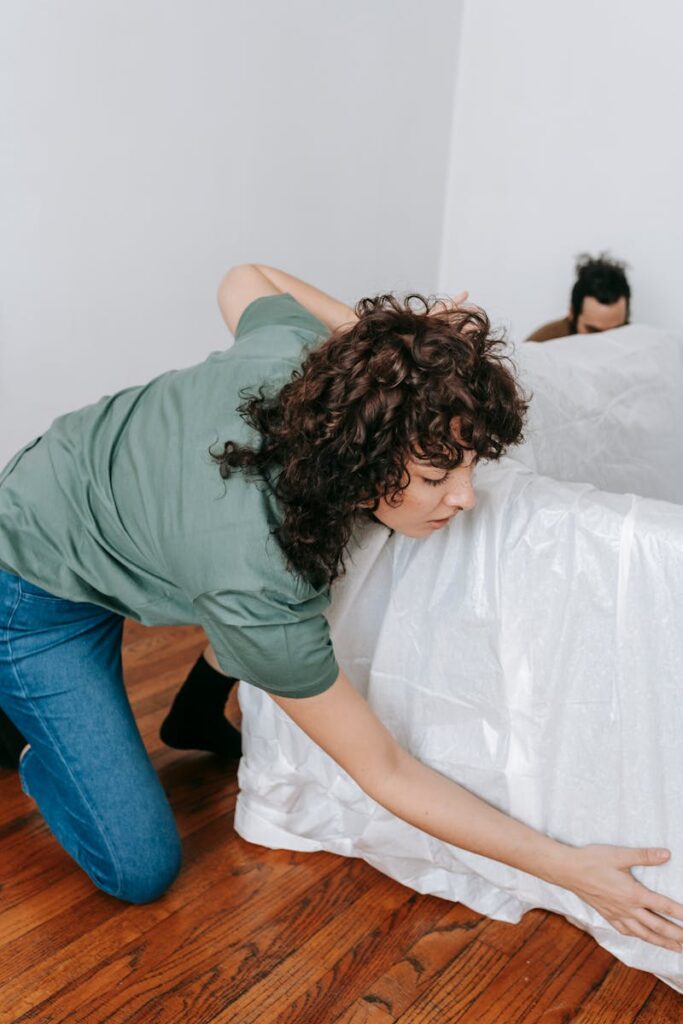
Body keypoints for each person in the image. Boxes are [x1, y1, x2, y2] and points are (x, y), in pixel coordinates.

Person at [1, 265, 682, 955]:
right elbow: (383, 768)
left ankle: (190, 712)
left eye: (469, 468)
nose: (466, 498)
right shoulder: (255, 579)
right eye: (435, 477)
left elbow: (243, 278)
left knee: (300, 577)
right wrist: (569, 868)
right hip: (31, 579)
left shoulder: (318, 368)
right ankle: (27, 732)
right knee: (138, 868)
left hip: (117, 502)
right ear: (360, 455)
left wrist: (389, 348)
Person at [527, 253, 631, 341]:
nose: (604, 341)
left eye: (616, 332)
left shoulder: (638, 343)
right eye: (593, 331)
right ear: (572, 314)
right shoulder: (541, 343)